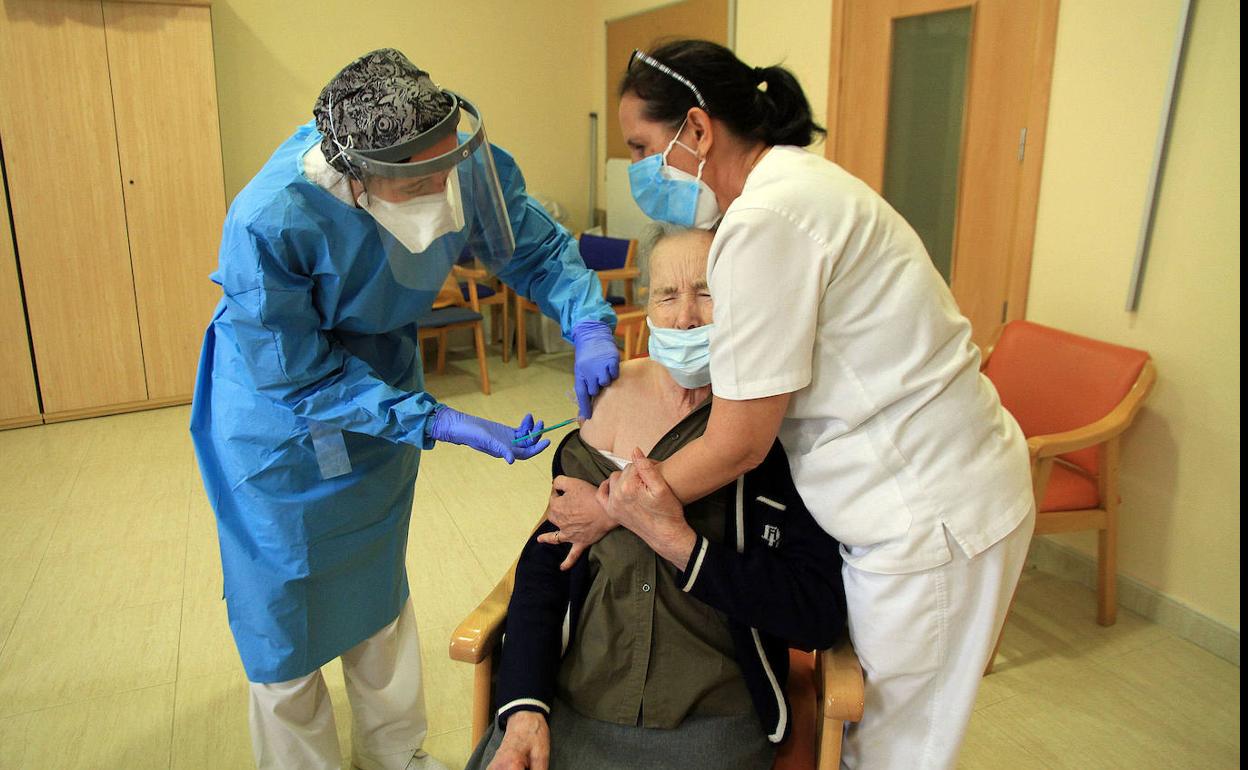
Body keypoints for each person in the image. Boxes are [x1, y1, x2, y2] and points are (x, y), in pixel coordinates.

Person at [546, 40, 1036, 769]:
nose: (642, 172)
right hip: (913, 486)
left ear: (699, 129)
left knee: (897, 748)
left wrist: (617, 506)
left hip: (924, 505)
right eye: (665, 297)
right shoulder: (800, 188)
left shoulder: (767, 219)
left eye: (644, 148)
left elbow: (740, 440)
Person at [188, 49, 620, 770]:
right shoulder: (272, 219)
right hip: (280, 416)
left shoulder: (462, 160)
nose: (444, 190)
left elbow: (531, 248)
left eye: (447, 170)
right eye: (421, 183)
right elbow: (296, 374)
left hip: (381, 372)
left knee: (375, 585)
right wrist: (437, 420)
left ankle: (399, 753)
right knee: (283, 609)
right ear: (359, 180)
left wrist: (589, 323)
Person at [466, 229, 846, 770]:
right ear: (645, 307)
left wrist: (682, 545)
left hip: (708, 716)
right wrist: (524, 707)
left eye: (707, 293)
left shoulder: (775, 438)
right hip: (576, 699)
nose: (687, 317)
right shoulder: (604, 409)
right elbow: (544, 567)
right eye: (667, 295)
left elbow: (815, 614)